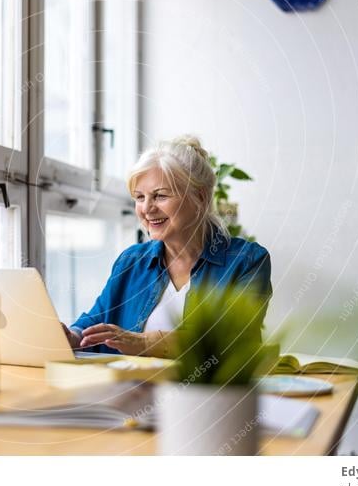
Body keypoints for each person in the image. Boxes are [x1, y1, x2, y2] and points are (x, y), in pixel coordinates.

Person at [60, 135, 272, 358]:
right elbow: (97, 320)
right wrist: (72, 337)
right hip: (135, 390)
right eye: (139, 197)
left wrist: (143, 343)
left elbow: (230, 341)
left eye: (160, 196)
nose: (146, 208)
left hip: (210, 393)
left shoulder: (248, 261)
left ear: (199, 197)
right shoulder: (131, 261)